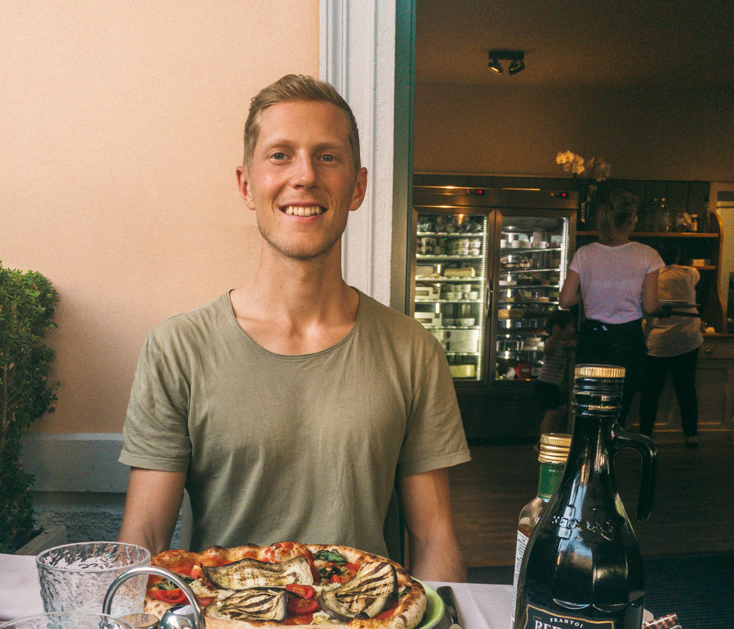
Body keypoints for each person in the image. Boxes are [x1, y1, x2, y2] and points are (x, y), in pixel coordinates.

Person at [117, 75, 470, 580]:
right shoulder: (178, 349)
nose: (304, 176)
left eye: (327, 156)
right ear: (246, 184)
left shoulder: (413, 352)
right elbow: (146, 540)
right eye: (280, 155)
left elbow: (433, 535)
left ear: (358, 186)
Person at [559, 189, 664, 425]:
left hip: (593, 338)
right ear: (631, 219)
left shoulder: (584, 254)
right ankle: (610, 455)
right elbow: (650, 304)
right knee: (618, 412)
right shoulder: (648, 255)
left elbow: (565, 300)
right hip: (627, 338)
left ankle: (589, 457)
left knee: (590, 410)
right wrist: (661, 310)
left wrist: (587, 293)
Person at [640, 241, 702, 446]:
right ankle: (691, 435)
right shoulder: (690, 273)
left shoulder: (651, 277)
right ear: (678, 256)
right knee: (686, 389)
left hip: (658, 342)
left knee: (650, 392)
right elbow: (695, 276)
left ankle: (645, 435)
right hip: (687, 339)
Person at [533, 309, 576, 439]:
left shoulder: (565, 344)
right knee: (551, 412)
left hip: (553, 385)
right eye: (570, 326)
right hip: (545, 385)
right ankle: (543, 442)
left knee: (562, 410)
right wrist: (556, 336)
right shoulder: (553, 341)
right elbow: (548, 350)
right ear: (557, 328)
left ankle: (551, 436)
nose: (573, 330)